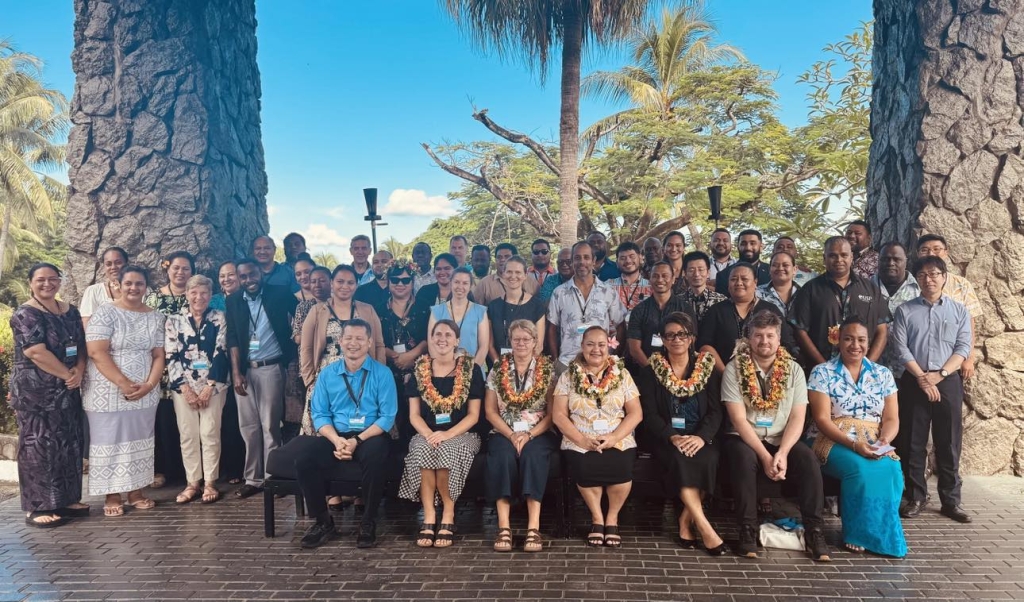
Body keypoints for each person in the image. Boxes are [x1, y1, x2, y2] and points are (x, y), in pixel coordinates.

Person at [267, 319, 396, 549]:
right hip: (335, 435)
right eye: (348, 338)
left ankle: (368, 521)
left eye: (359, 338)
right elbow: (320, 414)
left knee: (377, 456)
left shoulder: (382, 373)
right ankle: (323, 521)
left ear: (368, 342)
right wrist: (337, 440)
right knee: (305, 459)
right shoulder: (327, 374)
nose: (353, 343)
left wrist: (357, 441)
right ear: (340, 341)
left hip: (369, 435)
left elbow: (386, 417)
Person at [720, 311, 830, 562]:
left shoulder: (793, 370)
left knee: (808, 460)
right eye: (758, 336)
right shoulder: (734, 369)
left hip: (783, 438)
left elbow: (797, 418)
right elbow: (738, 419)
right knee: (742, 457)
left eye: (770, 336)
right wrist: (764, 455)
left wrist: (781, 453)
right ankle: (747, 528)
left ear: (779, 339)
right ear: (749, 339)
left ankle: (814, 530)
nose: (764, 341)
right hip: (745, 437)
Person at [807, 318, 907, 557]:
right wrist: (853, 444)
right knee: (859, 468)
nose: (855, 345)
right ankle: (857, 533)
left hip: (873, 439)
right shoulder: (823, 372)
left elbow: (892, 418)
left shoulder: (882, 374)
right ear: (838, 341)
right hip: (832, 439)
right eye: (849, 338)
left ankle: (882, 535)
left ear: (868, 342)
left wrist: (884, 440)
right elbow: (822, 419)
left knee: (892, 469)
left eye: (861, 340)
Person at [892, 256, 973, 523]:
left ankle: (951, 501)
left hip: (947, 380)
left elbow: (963, 347)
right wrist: (922, 378)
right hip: (915, 380)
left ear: (944, 276)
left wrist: (939, 375)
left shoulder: (960, 311)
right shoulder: (905, 311)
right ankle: (915, 496)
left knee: (948, 442)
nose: (929, 279)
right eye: (923, 275)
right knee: (912, 442)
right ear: (917, 278)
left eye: (935, 273)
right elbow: (901, 348)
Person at [636, 312, 725, 555]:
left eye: (682, 334)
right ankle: (705, 527)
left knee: (708, 458)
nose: (676, 339)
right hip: (665, 436)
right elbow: (650, 413)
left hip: (700, 435)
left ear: (691, 338)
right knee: (679, 459)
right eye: (670, 335)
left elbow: (716, 412)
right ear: (663, 340)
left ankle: (686, 520)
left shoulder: (707, 368)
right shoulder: (651, 370)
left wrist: (700, 437)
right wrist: (672, 436)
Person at [9, 263, 89, 527]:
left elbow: (80, 345)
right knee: (38, 446)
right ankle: (37, 506)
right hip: (37, 391)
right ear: (31, 282)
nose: (47, 284)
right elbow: (35, 351)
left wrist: (78, 369)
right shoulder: (25, 314)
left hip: (67, 389)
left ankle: (66, 499)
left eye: (53, 279)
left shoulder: (70, 311)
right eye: (41, 279)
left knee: (67, 443)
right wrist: (68, 375)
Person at [84, 265, 166, 517]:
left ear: (146, 287)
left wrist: (150, 385)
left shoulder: (155, 316)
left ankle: (136, 492)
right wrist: (123, 383)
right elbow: (96, 351)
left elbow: (159, 354)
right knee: (109, 441)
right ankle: (112, 494)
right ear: (119, 284)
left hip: (145, 391)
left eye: (139, 284)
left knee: (139, 440)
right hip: (107, 392)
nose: (133, 288)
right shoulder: (106, 312)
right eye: (128, 283)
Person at [551, 326, 642, 548]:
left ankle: (612, 518)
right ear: (582, 346)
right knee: (585, 466)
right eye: (590, 344)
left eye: (601, 344)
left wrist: (614, 437)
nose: (596, 349)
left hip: (617, 436)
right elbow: (559, 415)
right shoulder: (567, 376)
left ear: (608, 347)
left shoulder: (623, 373)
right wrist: (581, 440)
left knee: (621, 468)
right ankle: (596, 518)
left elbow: (636, 413)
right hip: (580, 437)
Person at [400, 320, 485, 549]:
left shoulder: (471, 369)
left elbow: (474, 416)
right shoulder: (420, 369)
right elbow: (414, 415)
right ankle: (429, 515)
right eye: (437, 334)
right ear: (430, 339)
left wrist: (447, 435)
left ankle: (448, 511)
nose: (442, 339)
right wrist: (429, 434)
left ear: (457, 340)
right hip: (427, 432)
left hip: (463, 433)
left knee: (445, 449)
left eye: (448, 335)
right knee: (422, 449)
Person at [225, 258, 298, 498]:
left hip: (271, 368)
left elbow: (301, 311)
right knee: (248, 427)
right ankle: (253, 479)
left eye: (252, 274)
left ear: (260, 273)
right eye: (243, 277)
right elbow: (233, 338)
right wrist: (236, 373)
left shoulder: (279, 293)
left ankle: (272, 477)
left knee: (269, 425)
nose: (248, 280)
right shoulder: (233, 300)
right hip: (245, 371)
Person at [484, 320, 557, 552]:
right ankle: (504, 527)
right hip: (504, 431)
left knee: (533, 456)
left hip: (538, 432)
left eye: (527, 339)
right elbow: (490, 411)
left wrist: (529, 434)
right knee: (502, 456)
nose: (521, 343)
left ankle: (532, 527)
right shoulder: (498, 369)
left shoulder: (547, 369)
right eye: (516, 339)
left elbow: (552, 413)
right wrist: (512, 434)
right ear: (510, 342)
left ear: (536, 342)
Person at [164, 275, 230, 505]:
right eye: (194, 293)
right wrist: (185, 388)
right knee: (188, 434)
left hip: (214, 386)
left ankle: (210, 481)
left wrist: (209, 387)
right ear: (187, 294)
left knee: (210, 433)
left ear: (210, 295)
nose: (199, 297)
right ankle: (193, 482)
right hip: (184, 388)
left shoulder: (219, 317)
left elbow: (222, 351)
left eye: (203, 293)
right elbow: (170, 355)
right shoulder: (174, 320)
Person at [300, 264, 387, 434]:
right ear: (332, 283)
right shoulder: (317, 311)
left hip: (362, 376)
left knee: (359, 425)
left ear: (356, 285)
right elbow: (306, 348)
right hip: (326, 377)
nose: (345, 287)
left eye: (350, 282)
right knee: (325, 426)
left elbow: (378, 344)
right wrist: (310, 380)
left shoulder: (367, 310)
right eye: (340, 281)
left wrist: (378, 375)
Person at [790, 237, 890, 370]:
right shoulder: (810, 289)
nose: (839, 260)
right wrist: (825, 368)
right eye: (832, 255)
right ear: (824, 258)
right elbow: (800, 331)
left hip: (863, 373)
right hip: (822, 372)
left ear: (851, 257)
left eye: (844, 255)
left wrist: (866, 366)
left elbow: (882, 330)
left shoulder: (871, 289)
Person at [145, 250, 194, 488]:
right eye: (176, 268)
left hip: (192, 368)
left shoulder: (196, 297)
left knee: (187, 420)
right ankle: (161, 469)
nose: (180, 272)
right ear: (167, 269)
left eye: (186, 268)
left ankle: (189, 470)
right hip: (161, 365)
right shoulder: (153, 299)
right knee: (162, 419)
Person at [697, 263, 794, 373]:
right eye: (733, 279)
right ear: (728, 284)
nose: (738, 283)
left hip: (766, 377)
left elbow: (786, 343)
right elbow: (705, 345)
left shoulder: (770, 309)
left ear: (755, 283)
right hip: (722, 376)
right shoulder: (716, 310)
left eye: (744, 279)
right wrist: (726, 374)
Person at [547, 241, 626, 374]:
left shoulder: (608, 292)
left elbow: (621, 325)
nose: (581, 262)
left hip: (600, 364)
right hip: (567, 363)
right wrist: (556, 361)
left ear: (594, 261)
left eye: (586, 257)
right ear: (572, 262)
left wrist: (614, 356)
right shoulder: (559, 293)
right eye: (577, 258)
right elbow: (551, 328)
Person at [916, 234, 982, 379]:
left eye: (937, 249)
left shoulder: (961, 284)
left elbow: (970, 322)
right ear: (917, 254)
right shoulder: (912, 283)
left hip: (951, 365)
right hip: (917, 366)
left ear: (946, 252)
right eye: (925, 250)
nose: (931, 254)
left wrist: (969, 357)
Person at [378, 261, 431, 442]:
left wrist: (410, 356)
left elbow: (429, 337)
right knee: (394, 415)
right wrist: (395, 357)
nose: (400, 284)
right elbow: (375, 340)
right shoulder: (378, 308)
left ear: (412, 282)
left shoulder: (424, 306)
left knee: (418, 414)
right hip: (389, 370)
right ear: (388, 282)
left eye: (405, 280)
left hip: (420, 369)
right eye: (395, 280)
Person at [211, 260, 245, 483]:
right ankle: (225, 468)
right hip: (217, 366)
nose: (226, 279)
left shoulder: (247, 297)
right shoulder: (213, 300)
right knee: (222, 420)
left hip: (242, 362)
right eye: (222, 276)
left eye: (231, 274)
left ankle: (241, 467)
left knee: (240, 419)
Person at [626, 262, 692, 371]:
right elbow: (634, 349)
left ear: (673, 279)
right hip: (646, 370)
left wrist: (673, 373)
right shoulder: (639, 310)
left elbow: (691, 340)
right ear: (650, 280)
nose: (660, 280)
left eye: (665, 276)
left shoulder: (684, 308)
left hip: (679, 371)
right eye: (655, 276)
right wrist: (652, 371)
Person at [429, 267, 490, 367]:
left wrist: (472, 373)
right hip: (444, 373)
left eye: (465, 283)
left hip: (473, 372)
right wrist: (445, 370)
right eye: (456, 282)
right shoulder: (437, 311)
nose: (460, 286)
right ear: (451, 283)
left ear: (470, 286)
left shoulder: (480, 311)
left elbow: (483, 347)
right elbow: (432, 345)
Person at [487, 256, 546, 360]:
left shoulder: (537, 305)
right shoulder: (493, 306)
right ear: (503, 274)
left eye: (518, 272)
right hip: (499, 369)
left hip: (528, 370)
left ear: (525, 275)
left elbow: (538, 345)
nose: (513, 276)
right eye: (509, 272)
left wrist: (522, 369)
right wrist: (500, 369)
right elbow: (490, 345)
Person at [474, 243, 539, 305]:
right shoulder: (485, 283)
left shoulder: (531, 282)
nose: (502, 260)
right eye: (499, 257)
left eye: (507, 256)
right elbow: (476, 311)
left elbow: (538, 308)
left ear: (515, 258)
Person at [80, 246, 128, 326]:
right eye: (108, 264)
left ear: (126, 264)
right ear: (104, 268)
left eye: (118, 262)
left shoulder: (140, 290)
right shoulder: (94, 291)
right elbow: (87, 324)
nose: (113, 267)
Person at [677, 251, 727, 322]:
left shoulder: (721, 300)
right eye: (691, 270)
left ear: (708, 273)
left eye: (701, 270)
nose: (696, 274)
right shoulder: (678, 301)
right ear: (685, 274)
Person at [608, 242, 651, 318]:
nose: (628, 261)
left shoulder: (652, 287)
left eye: (632, 256)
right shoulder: (607, 287)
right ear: (617, 263)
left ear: (640, 258)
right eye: (622, 258)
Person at [756, 250, 801, 317]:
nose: (780, 268)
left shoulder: (804, 293)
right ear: (769, 269)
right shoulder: (756, 294)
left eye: (785, 265)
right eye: (775, 265)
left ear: (794, 269)